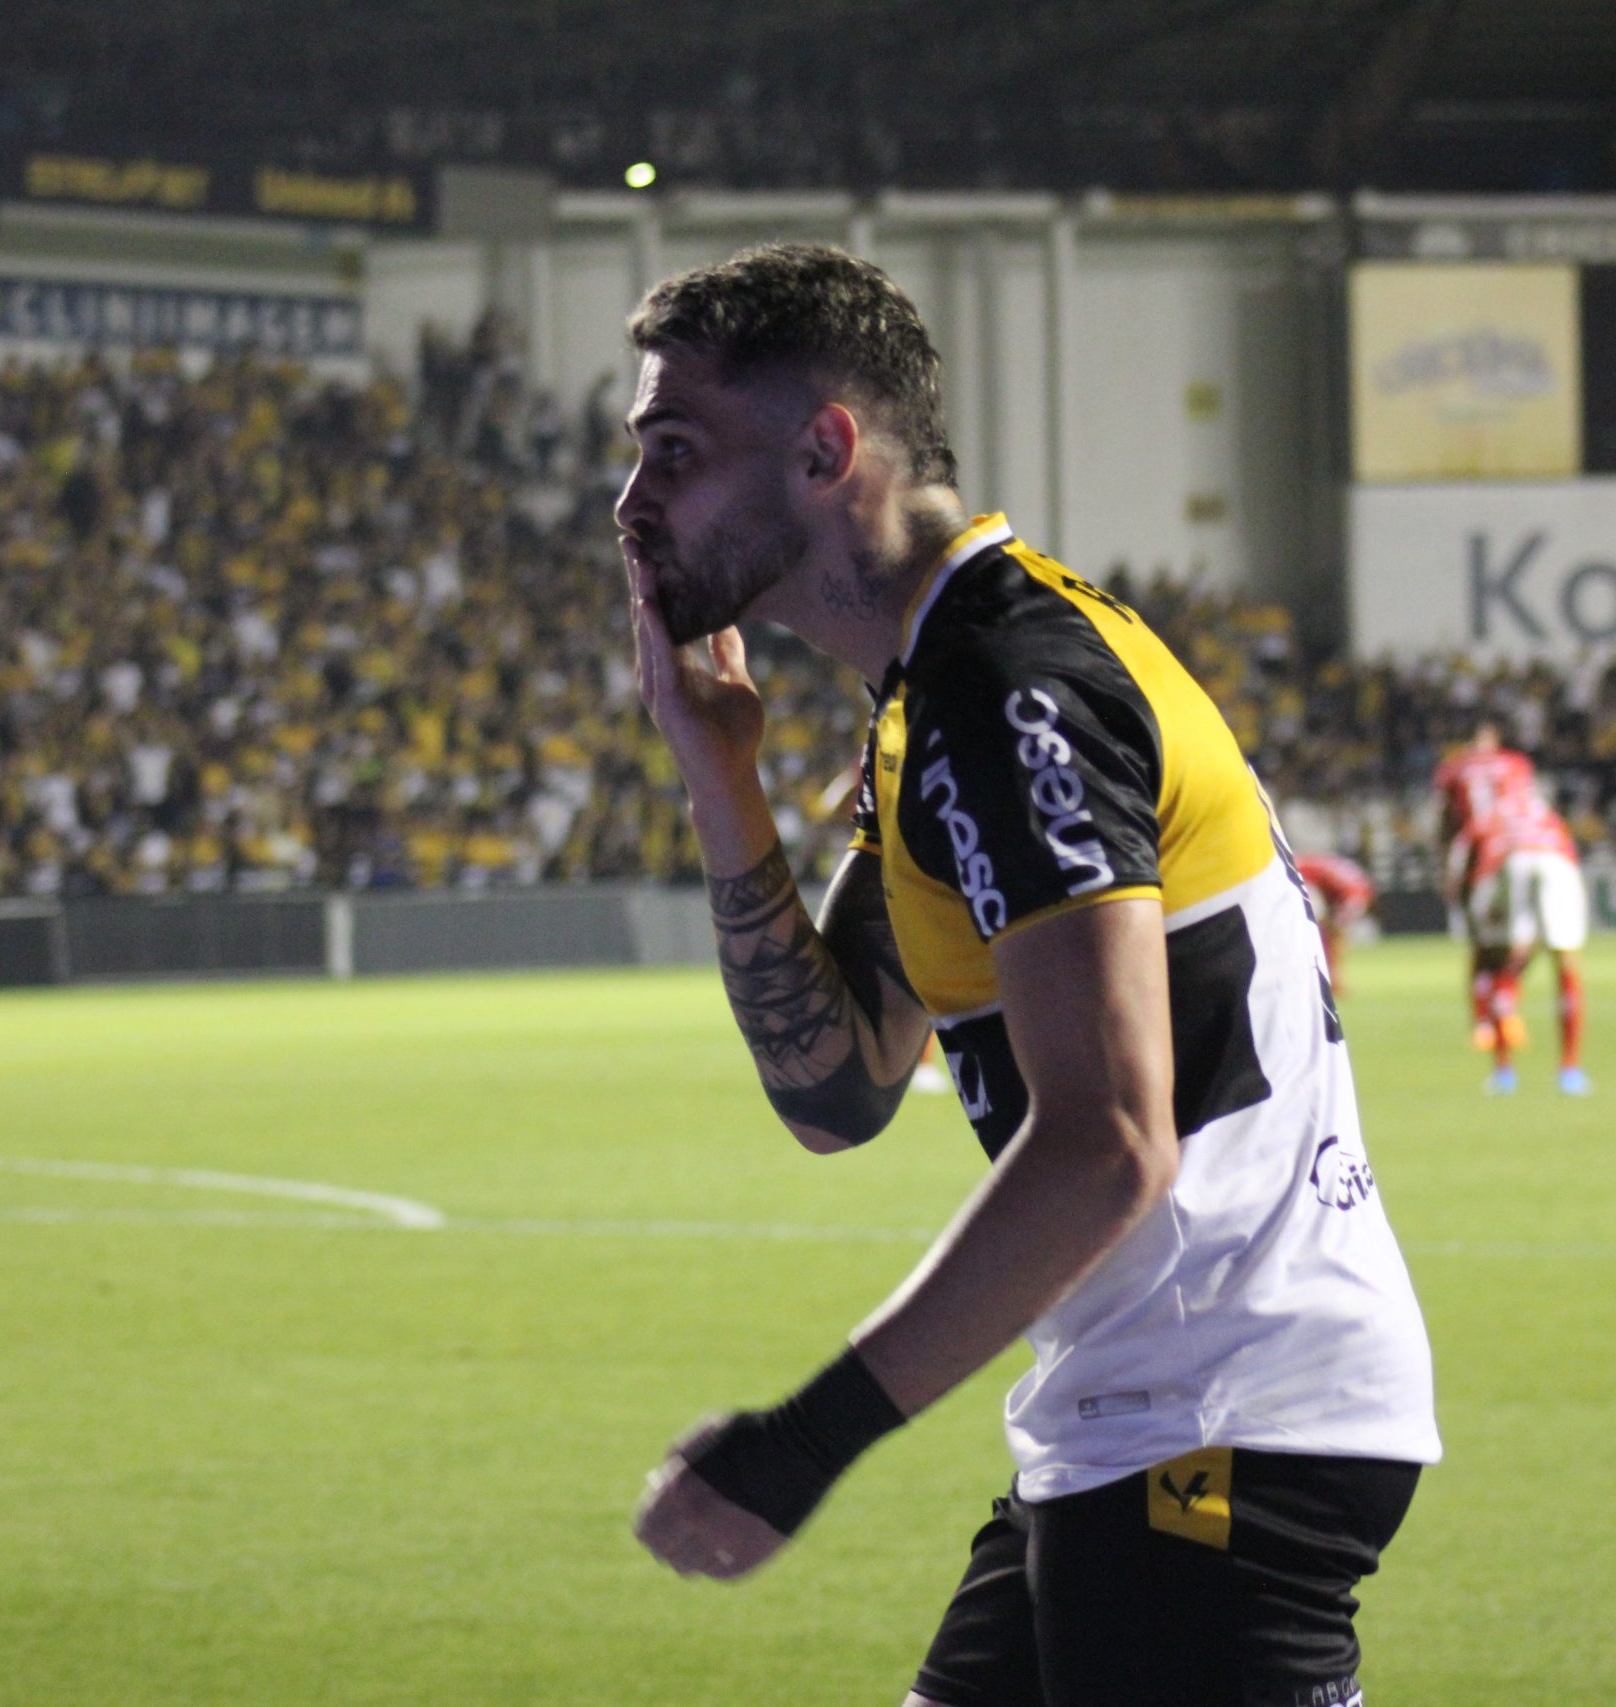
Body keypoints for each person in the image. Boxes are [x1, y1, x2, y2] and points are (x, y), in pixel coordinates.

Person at [615, 243, 1438, 1707]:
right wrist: (720, 779)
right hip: (1140, 1419)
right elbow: (841, 1081)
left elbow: (1111, 1141)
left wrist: (797, 1445)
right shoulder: (937, 697)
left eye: (675, 452)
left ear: (825, 451)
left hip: (1221, 1427)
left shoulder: (1009, 687)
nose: (634, 505)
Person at [1459, 787, 1590, 1096]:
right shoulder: (1545, 812)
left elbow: (1465, 855)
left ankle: (1504, 1071)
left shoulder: (1492, 813)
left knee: (1509, 960)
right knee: (1566, 962)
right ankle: (1570, 1070)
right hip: (1558, 864)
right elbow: (1569, 850)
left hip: (1513, 862)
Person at [1432, 721, 1536, 1051]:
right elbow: (1527, 808)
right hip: (1511, 854)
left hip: (1473, 858)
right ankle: (1505, 1007)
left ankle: (1482, 1022)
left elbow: (1445, 821)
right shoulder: (1516, 764)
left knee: (1483, 945)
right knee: (1521, 942)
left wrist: (1447, 866)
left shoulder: (1454, 769)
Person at [1293, 849, 1375, 989]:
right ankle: (1326, 978)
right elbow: (1338, 925)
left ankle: (1327, 977)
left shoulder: (1357, 889)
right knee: (1322, 932)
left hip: (1303, 873)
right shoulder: (1357, 895)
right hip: (1301, 875)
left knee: (1328, 933)